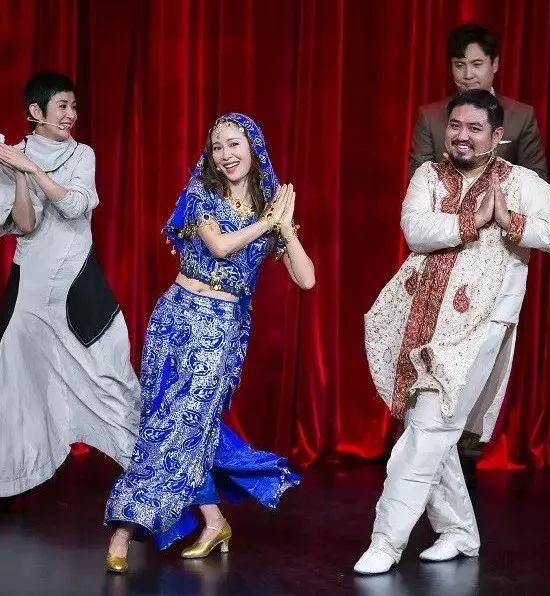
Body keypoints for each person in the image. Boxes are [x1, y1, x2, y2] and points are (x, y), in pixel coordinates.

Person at [355, 90, 550, 574]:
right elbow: (415, 230)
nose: (462, 136)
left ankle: (386, 541)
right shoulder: (428, 176)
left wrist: (511, 220)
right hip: (421, 319)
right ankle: (459, 532)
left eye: (475, 128)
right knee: (428, 429)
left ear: (497, 136)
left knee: (430, 427)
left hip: (481, 325)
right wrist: (473, 220)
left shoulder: (521, 183)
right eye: (455, 126)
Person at [104, 112, 315, 573]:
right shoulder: (202, 191)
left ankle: (124, 527)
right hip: (175, 315)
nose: (225, 155)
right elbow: (219, 246)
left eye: (234, 144)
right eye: (218, 147)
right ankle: (214, 520)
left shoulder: (271, 209)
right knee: (161, 417)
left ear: (253, 147)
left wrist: (284, 228)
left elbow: (307, 278)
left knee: (185, 422)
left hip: (220, 328)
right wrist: (267, 222)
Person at [0, 72, 140, 498]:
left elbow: (76, 205)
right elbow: (25, 224)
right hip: (31, 287)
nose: (70, 115)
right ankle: (14, 477)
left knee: (110, 375)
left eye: (73, 106)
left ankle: (150, 478)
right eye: (62, 106)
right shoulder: (13, 156)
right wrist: (18, 172)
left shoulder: (82, 155)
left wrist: (33, 169)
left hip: (78, 285)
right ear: (35, 111)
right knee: (15, 378)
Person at [409, 23, 548, 180]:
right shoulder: (429, 117)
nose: (468, 75)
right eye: (459, 65)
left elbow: (537, 179)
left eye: (476, 64)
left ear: (495, 64)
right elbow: (417, 180)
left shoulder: (521, 117)